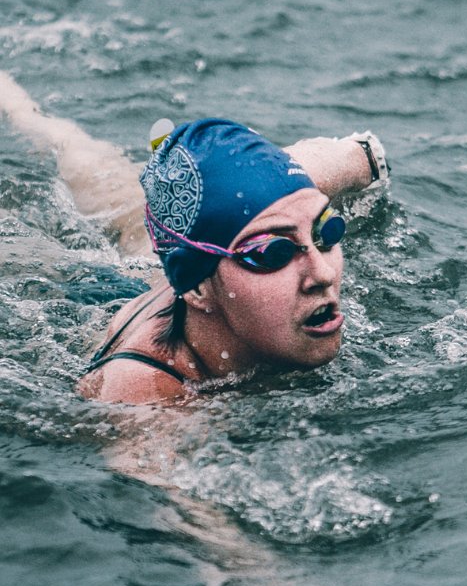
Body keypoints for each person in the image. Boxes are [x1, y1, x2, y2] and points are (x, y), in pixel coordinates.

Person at [0, 71, 388, 405]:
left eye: (327, 233)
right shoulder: (147, 396)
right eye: (273, 253)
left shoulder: (284, 203)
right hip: (90, 293)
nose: (321, 273)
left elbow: (364, 154)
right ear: (200, 288)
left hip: (172, 267)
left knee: (103, 175)